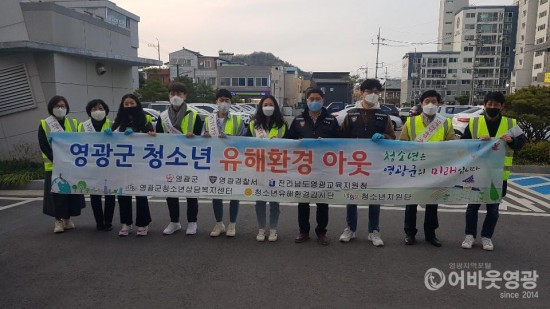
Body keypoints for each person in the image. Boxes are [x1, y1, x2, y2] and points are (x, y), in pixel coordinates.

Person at [460, 92, 525, 251]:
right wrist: (476, 142)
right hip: (477, 172)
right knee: (472, 206)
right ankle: (469, 235)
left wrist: (512, 140)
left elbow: (521, 144)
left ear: (502, 106)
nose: (492, 107)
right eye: (489, 104)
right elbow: (463, 144)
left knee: (493, 208)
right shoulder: (474, 123)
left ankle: (487, 237)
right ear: (484, 105)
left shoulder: (511, 124)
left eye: (496, 105)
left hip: (499, 174)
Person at [338, 79, 396, 247]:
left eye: (376, 92)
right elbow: (341, 137)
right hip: (354, 164)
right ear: (361, 92)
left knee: (374, 197)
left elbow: (392, 136)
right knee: (351, 197)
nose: (372, 95)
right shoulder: (351, 114)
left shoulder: (383, 116)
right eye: (369, 91)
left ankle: (374, 231)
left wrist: (383, 137)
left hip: (375, 164)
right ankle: (350, 228)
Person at [399, 90, 455, 247]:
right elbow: (402, 143)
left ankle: (431, 234)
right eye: (427, 101)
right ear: (421, 103)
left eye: (434, 101)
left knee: (433, 203)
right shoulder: (411, 122)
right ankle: (409, 233)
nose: (430, 104)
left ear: (438, 104)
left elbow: (453, 144)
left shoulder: (445, 123)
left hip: (435, 170)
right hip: (415, 169)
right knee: (411, 202)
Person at [288, 88, 340, 245]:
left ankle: (321, 232)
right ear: (307, 100)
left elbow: (341, 143)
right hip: (303, 167)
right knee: (303, 201)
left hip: (324, 168)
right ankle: (303, 231)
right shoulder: (298, 120)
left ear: (323, 100)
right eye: (311, 99)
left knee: (322, 201)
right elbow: (288, 142)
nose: (314, 101)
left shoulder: (331, 120)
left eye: (318, 98)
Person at [156, 82, 203, 236]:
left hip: (189, 159)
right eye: (172, 93)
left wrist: (195, 137)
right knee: (171, 191)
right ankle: (174, 221)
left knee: (190, 190)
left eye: (179, 94)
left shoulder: (194, 115)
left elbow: (202, 138)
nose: (175, 97)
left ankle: (192, 222)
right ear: (168, 96)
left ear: (185, 96)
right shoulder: (162, 117)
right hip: (170, 159)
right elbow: (158, 137)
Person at [107, 94, 156, 237]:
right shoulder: (118, 121)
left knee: (141, 194)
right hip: (122, 164)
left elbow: (153, 139)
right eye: (126, 104)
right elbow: (112, 142)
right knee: (123, 195)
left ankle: (143, 223)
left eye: (131, 103)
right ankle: (126, 223)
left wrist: (146, 134)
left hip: (140, 163)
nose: (129, 106)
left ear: (137, 104)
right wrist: (108, 135)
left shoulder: (145, 119)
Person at [38, 95, 85, 233]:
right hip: (53, 166)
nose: (60, 108)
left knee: (70, 192)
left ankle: (67, 219)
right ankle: (58, 221)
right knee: (57, 195)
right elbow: (43, 144)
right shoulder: (45, 123)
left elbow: (79, 142)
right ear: (51, 108)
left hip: (70, 165)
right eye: (57, 106)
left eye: (63, 106)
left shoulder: (73, 123)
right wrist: (57, 160)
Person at [203, 89, 247, 237]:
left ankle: (232, 224)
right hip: (215, 161)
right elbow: (202, 140)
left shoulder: (238, 120)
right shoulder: (208, 120)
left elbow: (243, 141)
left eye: (227, 100)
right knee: (216, 193)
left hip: (232, 162)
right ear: (216, 102)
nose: (224, 103)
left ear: (231, 103)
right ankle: (219, 223)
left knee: (234, 193)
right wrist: (206, 136)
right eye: (221, 100)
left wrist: (229, 138)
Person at [247, 95, 288, 242]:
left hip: (276, 167)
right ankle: (261, 228)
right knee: (259, 199)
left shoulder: (282, 125)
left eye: (271, 104)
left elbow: (291, 145)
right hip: (258, 166)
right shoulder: (253, 124)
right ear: (261, 107)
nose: (268, 107)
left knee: (274, 200)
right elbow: (245, 143)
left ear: (275, 106)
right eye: (265, 104)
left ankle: (273, 229)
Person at [77, 99, 116, 231]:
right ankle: (99, 222)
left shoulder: (113, 125)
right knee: (95, 194)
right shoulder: (82, 126)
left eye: (100, 108)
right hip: (91, 166)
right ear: (89, 112)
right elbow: (74, 143)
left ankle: (108, 221)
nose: (98, 111)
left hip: (109, 166)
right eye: (94, 109)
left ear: (105, 110)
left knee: (110, 194)